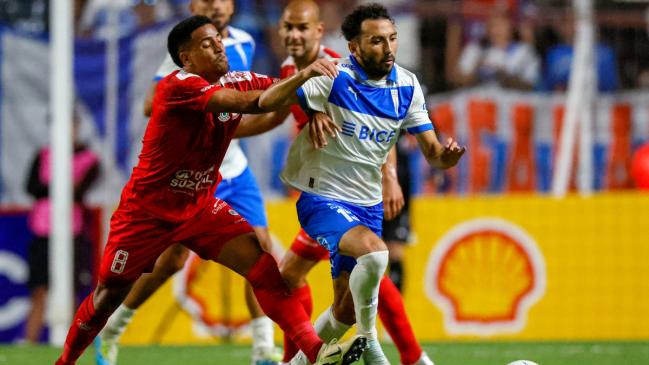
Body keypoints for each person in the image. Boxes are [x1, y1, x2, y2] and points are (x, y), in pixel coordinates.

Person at [55, 15, 367, 365]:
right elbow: (254, 103)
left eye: (218, 38)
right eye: (207, 43)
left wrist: (336, 83)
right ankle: (65, 361)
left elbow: (278, 89)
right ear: (186, 58)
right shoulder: (178, 86)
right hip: (147, 212)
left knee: (263, 266)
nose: (220, 45)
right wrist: (306, 75)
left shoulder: (239, 77)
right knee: (106, 296)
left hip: (200, 206)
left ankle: (316, 351)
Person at [258, 4, 466, 365]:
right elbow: (267, 103)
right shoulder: (331, 75)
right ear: (354, 48)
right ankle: (374, 344)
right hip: (322, 197)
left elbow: (432, 151)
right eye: (376, 41)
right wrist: (305, 85)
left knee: (345, 310)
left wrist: (443, 159)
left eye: (392, 39)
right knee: (375, 253)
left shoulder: (407, 85)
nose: (387, 49)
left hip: (367, 203)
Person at [95, 1, 288, 364]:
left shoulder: (244, 42)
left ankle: (263, 349)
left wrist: (270, 114)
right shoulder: (182, 59)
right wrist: (205, 107)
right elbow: (151, 106)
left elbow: (247, 106)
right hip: (189, 178)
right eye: (204, 2)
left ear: (231, 7)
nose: (213, 6)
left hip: (233, 168)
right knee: (170, 262)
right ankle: (113, 329)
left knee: (260, 247)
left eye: (220, 1)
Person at [24, 115, 99, 344]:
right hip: (43, 228)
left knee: (71, 289)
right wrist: (62, 186)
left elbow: (80, 191)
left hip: (72, 229)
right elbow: (31, 187)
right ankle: (30, 341)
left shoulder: (89, 158)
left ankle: (72, 342)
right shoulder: (43, 154)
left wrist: (56, 187)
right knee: (40, 289)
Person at [454, 9, 540, 90]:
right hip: (478, 102)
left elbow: (531, 85)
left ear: (511, 26)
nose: (496, 30)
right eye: (492, 25)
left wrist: (502, 76)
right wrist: (476, 70)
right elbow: (457, 80)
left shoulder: (525, 51)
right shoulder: (475, 49)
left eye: (501, 24)